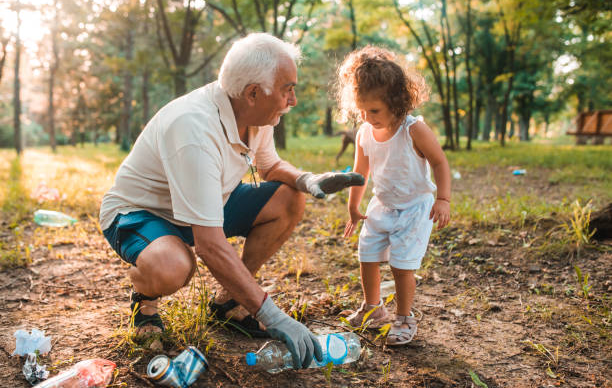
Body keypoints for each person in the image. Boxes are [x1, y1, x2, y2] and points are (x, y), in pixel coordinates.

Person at [99, 33, 364, 368]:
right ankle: (145, 300)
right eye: (287, 89)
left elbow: (269, 165)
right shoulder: (194, 128)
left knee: (290, 198)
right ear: (253, 92)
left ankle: (228, 303)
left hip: (206, 201)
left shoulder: (255, 114)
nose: (293, 100)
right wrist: (273, 314)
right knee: (174, 266)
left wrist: (306, 179)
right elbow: (209, 245)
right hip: (141, 212)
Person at [337, 46, 451, 346]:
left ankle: (403, 317)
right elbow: (361, 172)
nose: (366, 116)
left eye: (374, 110)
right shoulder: (364, 133)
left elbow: (439, 162)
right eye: (362, 110)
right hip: (383, 205)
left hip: (415, 208)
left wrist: (444, 199)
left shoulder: (414, 130)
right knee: (367, 255)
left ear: (396, 101)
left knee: (402, 266)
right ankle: (373, 309)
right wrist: (353, 205)